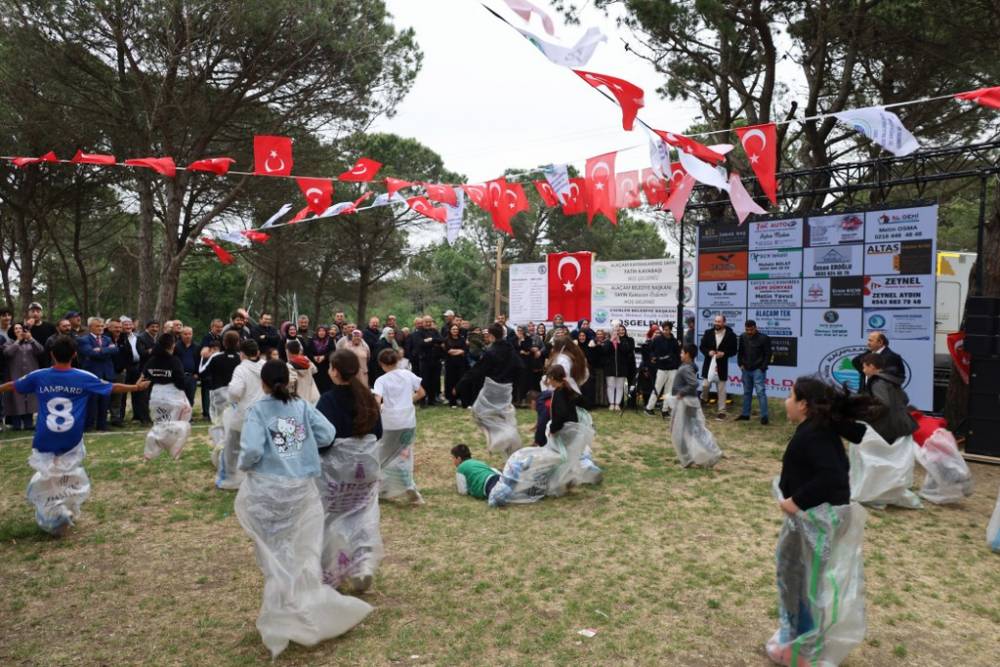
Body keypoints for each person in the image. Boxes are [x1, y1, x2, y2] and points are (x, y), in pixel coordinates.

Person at [234, 359, 372, 658]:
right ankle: (297, 605)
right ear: (289, 380)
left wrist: (245, 465)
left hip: (269, 489)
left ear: (264, 383)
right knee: (299, 550)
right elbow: (327, 433)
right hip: (301, 488)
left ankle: (284, 607)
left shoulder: (258, 410)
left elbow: (253, 450)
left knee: (275, 550)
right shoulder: (302, 406)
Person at [0, 336, 149, 534]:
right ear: (75, 355)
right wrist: (136, 387)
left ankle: (52, 512)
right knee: (67, 475)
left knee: (48, 476)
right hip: (71, 438)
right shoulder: (83, 376)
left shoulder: (40, 375)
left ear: (51, 355)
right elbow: (112, 387)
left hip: (45, 436)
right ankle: (62, 510)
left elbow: (13, 385)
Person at [315, 349, 384, 593]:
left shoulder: (327, 401)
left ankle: (329, 570)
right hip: (365, 470)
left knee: (329, 518)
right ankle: (362, 564)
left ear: (335, 370)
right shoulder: (367, 398)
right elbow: (378, 433)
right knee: (363, 515)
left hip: (337, 473)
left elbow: (322, 439)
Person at [373, 349, 426, 504]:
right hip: (408, 421)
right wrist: (408, 401)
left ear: (382, 364)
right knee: (404, 454)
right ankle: (408, 486)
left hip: (390, 423)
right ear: (397, 361)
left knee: (381, 455)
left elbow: (377, 401)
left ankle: (378, 488)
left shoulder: (381, 380)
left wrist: (379, 410)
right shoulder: (408, 374)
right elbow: (421, 393)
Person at [217, 339, 265, 490]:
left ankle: (230, 479)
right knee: (260, 448)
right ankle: (257, 479)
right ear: (257, 352)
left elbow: (235, 392)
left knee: (233, 449)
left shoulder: (241, 369)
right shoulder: (265, 366)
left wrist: (234, 399)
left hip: (243, 415)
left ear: (241, 354)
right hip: (264, 415)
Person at [670, 343, 722, 468]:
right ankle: (707, 454)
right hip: (688, 401)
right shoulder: (688, 367)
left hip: (686, 402)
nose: (680, 354)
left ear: (687, 354)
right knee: (693, 430)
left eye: (682, 352)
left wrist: (681, 393)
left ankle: (690, 459)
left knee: (682, 432)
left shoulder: (686, 368)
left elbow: (693, 384)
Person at [859, 353, 918, 443]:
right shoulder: (890, 379)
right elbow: (905, 399)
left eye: (864, 367)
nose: (863, 371)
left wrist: (865, 411)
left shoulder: (878, 382)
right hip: (901, 425)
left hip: (886, 430)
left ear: (871, 366)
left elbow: (883, 404)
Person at [75, 317, 118, 432]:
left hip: (106, 374)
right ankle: (89, 425)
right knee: (92, 401)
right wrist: (106, 350)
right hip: (92, 374)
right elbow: (90, 353)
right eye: (97, 326)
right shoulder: (83, 340)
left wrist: (100, 350)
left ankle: (102, 425)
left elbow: (115, 350)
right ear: (90, 328)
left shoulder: (107, 338)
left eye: (102, 326)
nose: (100, 328)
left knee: (105, 400)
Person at [3, 322, 44, 429]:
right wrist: (18, 341)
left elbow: (40, 351)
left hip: (30, 374)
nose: (18, 330)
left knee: (30, 398)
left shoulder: (30, 342)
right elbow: (8, 353)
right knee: (16, 399)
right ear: (13, 331)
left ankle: (28, 423)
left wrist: (31, 339)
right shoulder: (9, 343)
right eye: (15, 329)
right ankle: (16, 424)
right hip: (14, 374)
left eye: (20, 328)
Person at [700, 314, 738, 420]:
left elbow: (734, 351)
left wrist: (724, 354)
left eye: (719, 321)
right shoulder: (708, 333)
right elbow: (702, 347)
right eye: (715, 321)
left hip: (722, 366)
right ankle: (703, 399)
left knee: (721, 389)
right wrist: (708, 352)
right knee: (705, 385)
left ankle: (722, 411)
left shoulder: (731, 335)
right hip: (709, 364)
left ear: (724, 323)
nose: (716, 323)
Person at [736, 320, 772, 425]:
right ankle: (745, 414)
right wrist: (740, 364)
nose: (749, 332)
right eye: (747, 330)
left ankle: (764, 416)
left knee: (760, 392)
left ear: (755, 327)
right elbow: (740, 352)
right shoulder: (743, 337)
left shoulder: (764, 338)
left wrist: (763, 367)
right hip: (745, 368)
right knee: (747, 392)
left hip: (758, 369)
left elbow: (768, 354)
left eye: (751, 329)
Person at [645, 321, 681, 418]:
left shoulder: (675, 341)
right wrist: (653, 357)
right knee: (657, 388)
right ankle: (649, 408)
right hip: (661, 367)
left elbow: (678, 355)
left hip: (673, 368)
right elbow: (651, 350)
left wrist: (676, 365)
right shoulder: (657, 339)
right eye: (664, 329)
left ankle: (665, 410)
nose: (665, 331)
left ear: (670, 330)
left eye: (667, 330)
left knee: (669, 390)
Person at [602, 323, 636, 411]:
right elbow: (604, 351)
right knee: (610, 386)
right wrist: (611, 341)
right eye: (615, 331)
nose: (617, 333)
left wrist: (619, 342)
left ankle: (617, 404)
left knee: (620, 386)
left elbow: (626, 351)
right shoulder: (607, 341)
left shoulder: (624, 341)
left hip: (622, 367)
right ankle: (611, 403)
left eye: (618, 331)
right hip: (610, 368)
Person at [133, 320, 159, 425]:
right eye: (153, 327)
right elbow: (142, 353)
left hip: (156, 370)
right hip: (145, 370)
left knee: (153, 395)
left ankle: (152, 417)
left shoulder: (157, 338)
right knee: (144, 396)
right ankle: (144, 418)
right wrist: (155, 350)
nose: (155, 329)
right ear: (147, 327)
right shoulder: (141, 338)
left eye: (157, 327)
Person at [285, 339, 320, 404]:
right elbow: (315, 370)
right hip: (311, 395)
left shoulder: (289, 365)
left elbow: (290, 384)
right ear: (299, 350)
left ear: (288, 351)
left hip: (298, 399)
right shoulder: (306, 360)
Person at [442, 323, 468, 408]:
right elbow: (449, 351)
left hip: (461, 364)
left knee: (462, 381)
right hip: (450, 364)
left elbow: (464, 350)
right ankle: (452, 402)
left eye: (456, 329)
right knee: (451, 382)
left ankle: (464, 402)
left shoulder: (462, 339)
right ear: (450, 330)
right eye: (453, 329)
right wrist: (459, 351)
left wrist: (455, 351)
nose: (455, 331)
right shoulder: (446, 339)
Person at [174, 326, 200, 409]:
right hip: (179, 376)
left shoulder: (197, 347)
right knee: (179, 398)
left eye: (190, 334)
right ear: (181, 335)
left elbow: (198, 361)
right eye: (185, 334)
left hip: (192, 376)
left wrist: (197, 373)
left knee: (190, 397)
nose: (188, 336)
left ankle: (188, 417)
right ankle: (179, 416)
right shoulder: (176, 346)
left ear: (192, 334)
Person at [308, 325, 335, 394]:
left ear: (326, 332)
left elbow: (333, 351)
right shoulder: (312, 340)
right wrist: (313, 357)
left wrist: (324, 356)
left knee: (326, 388)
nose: (321, 333)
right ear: (317, 332)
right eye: (320, 331)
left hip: (326, 367)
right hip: (315, 368)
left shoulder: (330, 340)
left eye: (323, 331)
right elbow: (307, 352)